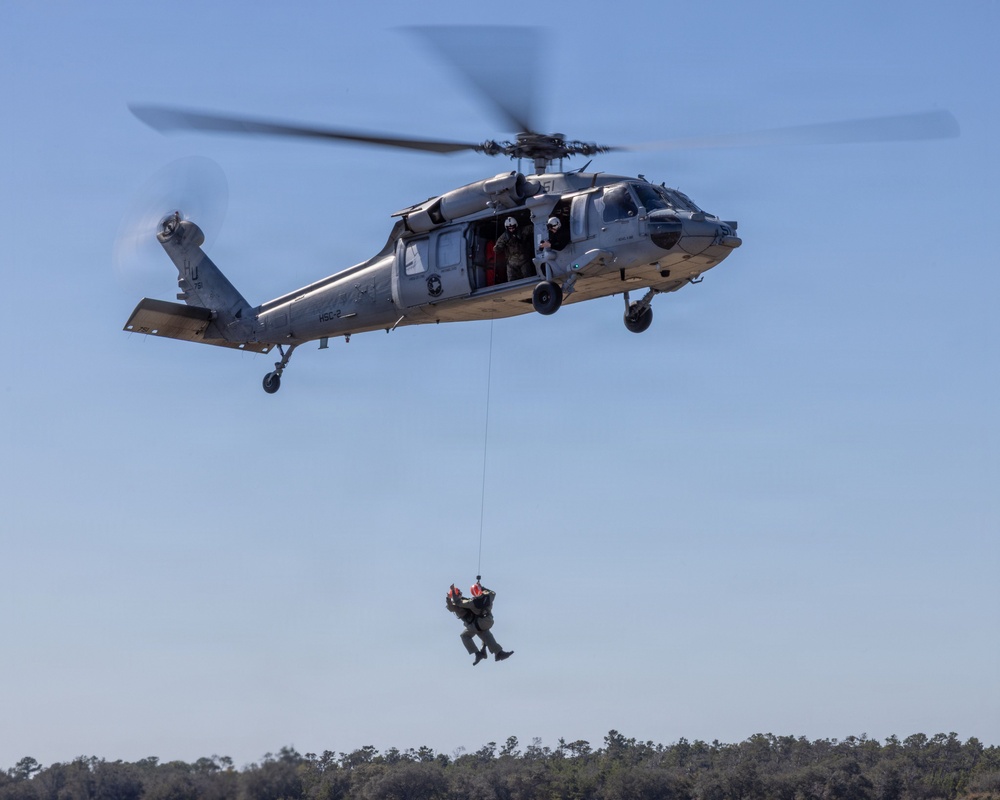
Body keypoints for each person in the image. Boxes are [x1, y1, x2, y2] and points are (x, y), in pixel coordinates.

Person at [446, 581, 513, 665]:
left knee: (480, 634)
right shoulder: (457, 605)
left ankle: (486, 653)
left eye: (460, 593)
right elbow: (451, 606)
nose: (461, 594)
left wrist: (451, 594)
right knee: (482, 634)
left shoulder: (469, 602)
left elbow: (460, 602)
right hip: (477, 623)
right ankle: (495, 653)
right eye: (459, 593)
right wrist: (481, 587)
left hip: (477, 623)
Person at [493, 217, 534, 282]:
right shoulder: (504, 237)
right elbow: (496, 249)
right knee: (511, 281)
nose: (511, 229)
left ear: (516, 225)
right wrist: (499, 247)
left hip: (524, 261)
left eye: (513, 227)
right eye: (509, 228)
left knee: (528, 279)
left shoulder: (523, 231)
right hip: (511, 264)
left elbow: (534, 227)